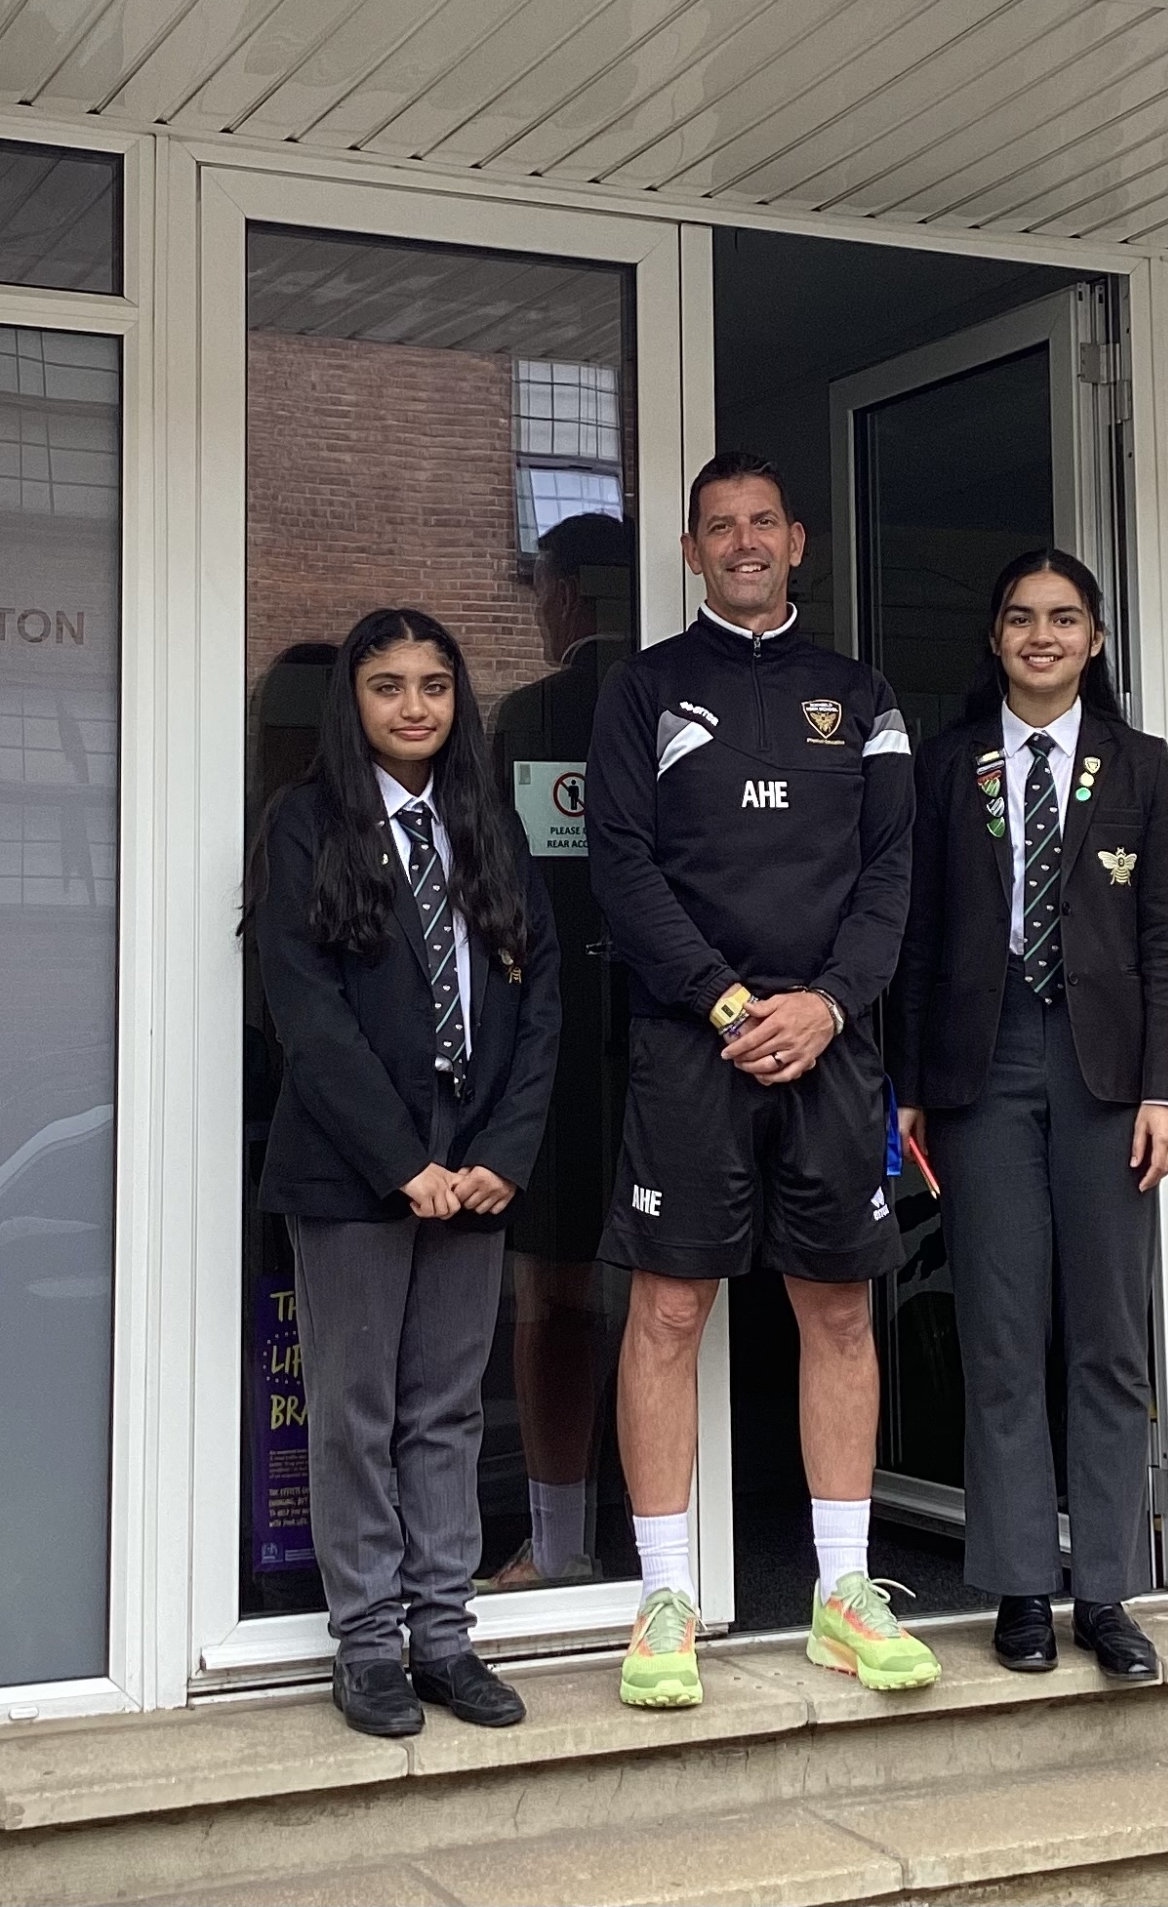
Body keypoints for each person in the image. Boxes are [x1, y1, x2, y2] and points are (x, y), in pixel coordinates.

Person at [584, 450, 937, 1710]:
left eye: (761, 524)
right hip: (695, 1047)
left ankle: (841, 1594)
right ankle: (663, 1600)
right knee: (670, 1312)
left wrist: (829, 1003)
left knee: (837, 1310)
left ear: (798, 542)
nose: (742, 543)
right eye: (717, 528)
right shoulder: (644, 689)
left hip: (833, 1047)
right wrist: (733, 1003)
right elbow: (621, 869)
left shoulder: (864, 694)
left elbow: (892, 873)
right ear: (691, 553)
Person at [251, 607, 561, 1738]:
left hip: (474, 1170)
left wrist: (497, 1158)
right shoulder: (305, 825)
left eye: (435, 684)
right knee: (356, 1407)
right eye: (389, 686)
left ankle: (443, 1635)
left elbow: (541, 1007)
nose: (415, 705)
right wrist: (403, 1163)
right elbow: (307, 1014)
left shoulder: (487, 825)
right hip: (352, 1172)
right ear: (354, 702)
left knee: (448, 1409)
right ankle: (368, 1643)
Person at [893, 550, 1168, 1682]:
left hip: (1107, 1075)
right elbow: (918, 940)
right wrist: (910, 1082)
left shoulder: (1141, 766)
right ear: (995, 638)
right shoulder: (946, 766)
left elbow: (1167, 937)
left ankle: (1106, 1591)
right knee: (1003, 1333)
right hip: (983, 1067)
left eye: (1065, 619)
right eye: (1020, 617)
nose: (1042, 636)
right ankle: (1022, 1584)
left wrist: (1167, 1088)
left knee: (1110, 1339)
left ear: (1098, 640)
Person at [484, 512, 635, 1588]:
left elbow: (491, 892)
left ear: (571, 594)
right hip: (690, 1030)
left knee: (551, 1299)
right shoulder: (691, 703)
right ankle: (675, 1543)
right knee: (670, 1299)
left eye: (538, 589)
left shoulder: (533, 715)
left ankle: (564, 1541)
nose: (537, 611)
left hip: (561, 1041)